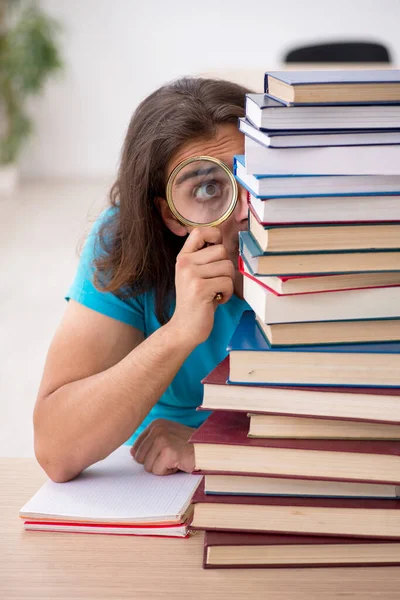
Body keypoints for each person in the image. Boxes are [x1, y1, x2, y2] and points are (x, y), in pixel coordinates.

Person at [33, 77, 251, 483]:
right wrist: (179, 332)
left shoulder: (319, 236)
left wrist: (218, 442)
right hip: (156, 483)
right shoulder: (125, 240)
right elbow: (55, 448)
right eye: (206, 188)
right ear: (169, 215)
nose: (242, 211)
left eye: (253, 177)